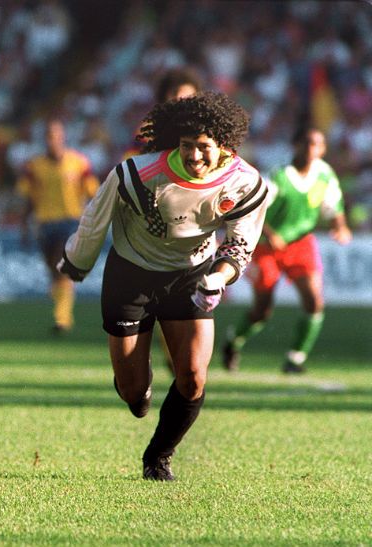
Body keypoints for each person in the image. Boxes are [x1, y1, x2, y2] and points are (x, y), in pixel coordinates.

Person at [57, 92, 268, 481]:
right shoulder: (136, 174)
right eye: (187, 146)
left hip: (192, 275)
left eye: (204, 147)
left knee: (193, 376)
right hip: (131, 276)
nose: (194, 156)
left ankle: (159, 457)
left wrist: (217, 279)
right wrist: (76, 260)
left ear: (224, 146)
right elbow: (94, 219)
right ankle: (136, 386)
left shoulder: (245, 183)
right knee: (134, 395)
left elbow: (241, 244)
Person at [223, 127, 352, 374]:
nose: (311, 149)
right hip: (266, 247)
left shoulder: (324, 175)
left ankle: (296, 358)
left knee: (314, 301)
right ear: (295, 146)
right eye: (306, 143)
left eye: (317, 144)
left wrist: (341, 227)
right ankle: (233, 341)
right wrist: (270, 235)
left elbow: (333, 206)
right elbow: (253, 208)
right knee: (262, 309)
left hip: (301, 244)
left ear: (323, 149)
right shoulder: (278, 176)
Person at [123, 67, 204, 370]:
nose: (182, 103)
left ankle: (184, 356)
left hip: (196, 222)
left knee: (194, 296)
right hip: (156, 221)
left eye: (188, 97)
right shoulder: (150, 132)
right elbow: (131, 166)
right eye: (176, 97)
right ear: (165, 99)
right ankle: (174, 355)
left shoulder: (209, 133)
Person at [17, 118, 99, 334]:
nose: (52, 140)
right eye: (48, 136)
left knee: (60, 265)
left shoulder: (78, 162)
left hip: (70, 221)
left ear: (63, 137)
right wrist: (24, 226)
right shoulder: (34, 166)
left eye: (56, 136)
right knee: (53, 272)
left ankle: (61, 318)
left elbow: (93, 192)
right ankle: (63, 309)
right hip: (45, 223)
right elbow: (29, 199)